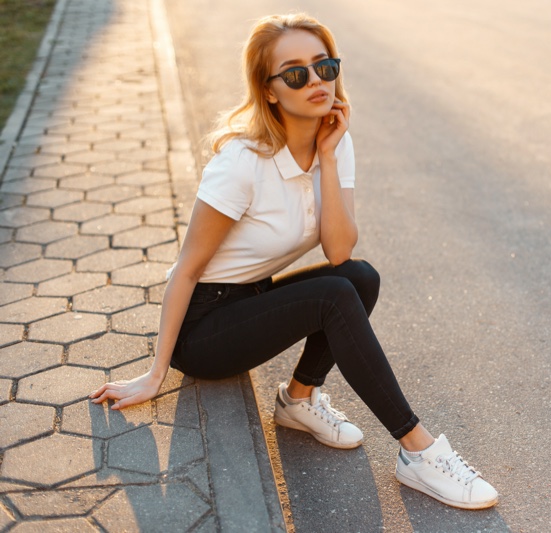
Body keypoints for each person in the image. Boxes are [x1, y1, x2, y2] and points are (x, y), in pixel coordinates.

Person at [88, 13, 498, 510]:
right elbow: (186, 270)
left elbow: (340, 251)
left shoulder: (335, 141)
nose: (317, 81)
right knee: (333, 294)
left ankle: (298, 401)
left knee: (358, 277)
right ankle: (420, 452)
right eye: (297, 73)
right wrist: (156, 373)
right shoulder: (242, 162)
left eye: (324, 66)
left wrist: (326, 157)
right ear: (270, 90)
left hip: (253, 295)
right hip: (204, 331)